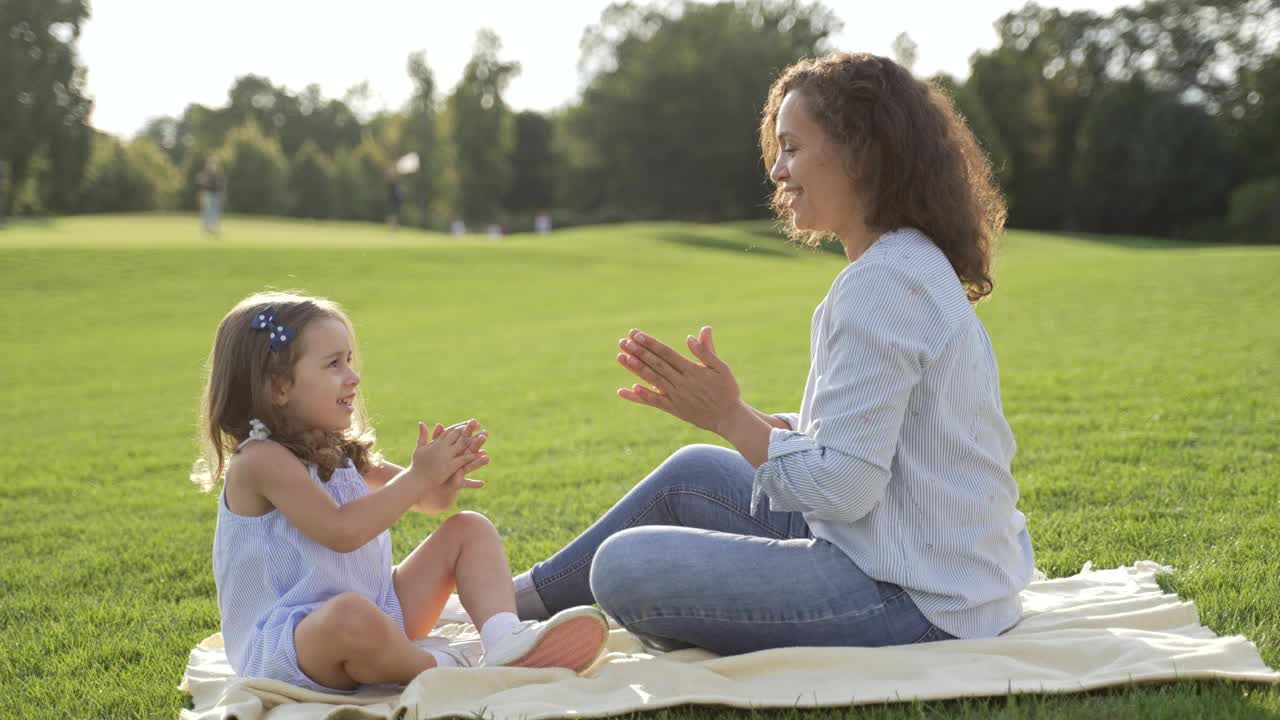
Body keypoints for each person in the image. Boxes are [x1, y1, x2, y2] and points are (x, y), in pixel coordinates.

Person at [511, 52, 1035, 655]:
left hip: (915, 596)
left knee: (623, 569)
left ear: (860, 152)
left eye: (791, 147)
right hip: (928, 563)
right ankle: (509, 604)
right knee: (694, 472)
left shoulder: (883, 284)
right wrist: (734, 413)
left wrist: (730, 417)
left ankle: (509, 607)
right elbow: (864, 443)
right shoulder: (904, 262)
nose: (778, 172)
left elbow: (842, 488)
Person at [193, 291, 609, 693]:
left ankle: (506, 640)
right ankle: (441, 669)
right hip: (297, 645)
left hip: (377, 609)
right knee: (350, 617)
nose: (353, 377)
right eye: (334, 364)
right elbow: (342, 531)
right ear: (280, 387)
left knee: (469, 529)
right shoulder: (261, 460)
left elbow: (428, 503)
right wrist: (417, 476)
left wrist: (440, 480)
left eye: (350, 361)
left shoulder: (336, 449)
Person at [197, 157, 225, 235]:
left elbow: (221, 186)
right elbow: (202, 186)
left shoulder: (218, 175)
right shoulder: (206, 175)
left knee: (215, 212)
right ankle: (207, 227)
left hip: (216, 195)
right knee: (207, 211)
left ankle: (214, 228)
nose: (212, 166)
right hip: (208, 194)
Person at [385, 165, 403, 231]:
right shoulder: (392, 181)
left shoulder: (395, 181)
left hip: (396, 199)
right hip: (393, 199)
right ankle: (391, 227)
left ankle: (394, 227)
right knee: (392, 213)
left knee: (394, 214)